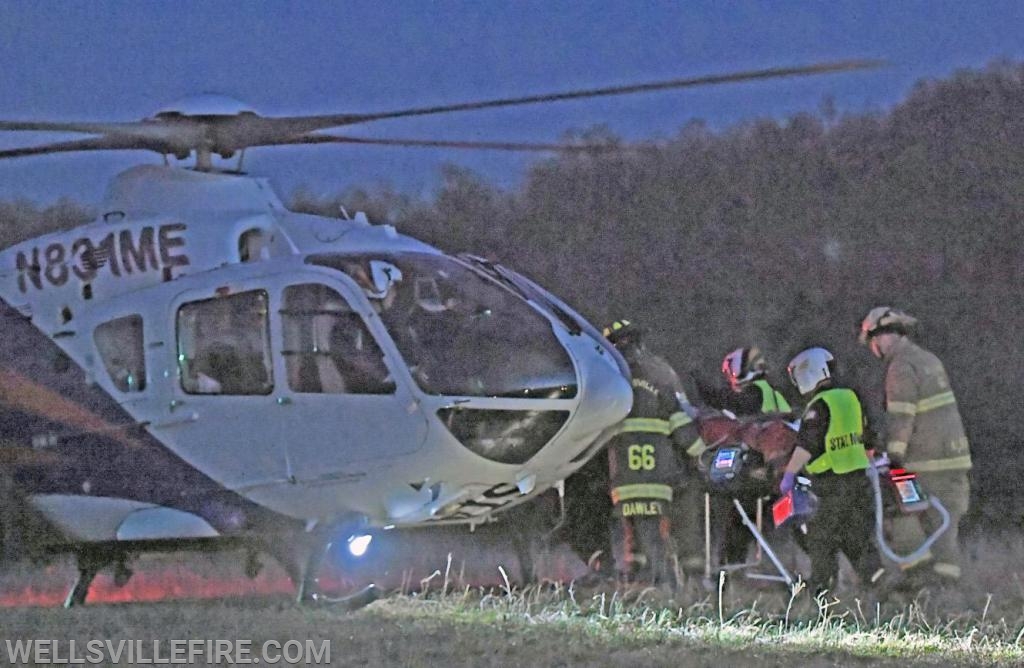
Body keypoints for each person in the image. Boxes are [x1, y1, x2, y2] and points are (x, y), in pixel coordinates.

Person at [859, 306, 972, 588]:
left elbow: (902, 415)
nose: (874, 349)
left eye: (873, 342)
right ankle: (948, 594)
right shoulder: (928, 359)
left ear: (881, 336)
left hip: (925, 462)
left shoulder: (900, 366)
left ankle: (917, 579)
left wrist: (893, 456)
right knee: (944, 530)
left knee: (900, 516)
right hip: (954, 460)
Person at [780, 346, 885, 595]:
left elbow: (807, 444)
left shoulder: (819, 405)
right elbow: (868, 436)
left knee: (821, 539)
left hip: (830, 484)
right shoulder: (850, 397)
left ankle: (822, 589)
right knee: (856, 536)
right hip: (859, 481)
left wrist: (788, 475)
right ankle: (877, 580)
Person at [601, 319, 698, 586]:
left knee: (630, 537)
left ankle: (636, 587)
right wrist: (703, 456)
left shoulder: (608, 379)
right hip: (659, 477)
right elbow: (682, 420)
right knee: (660, 533)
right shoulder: (660, 375)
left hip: (624, 479)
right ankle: (669, 585)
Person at [709, 347, 794, 568]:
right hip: (782, 474)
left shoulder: (756, 391)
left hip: (761, 473)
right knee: (775, 523)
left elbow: (737, 407)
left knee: (739, 523)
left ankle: (729, 571)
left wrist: (705, 391)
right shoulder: (776, 392)